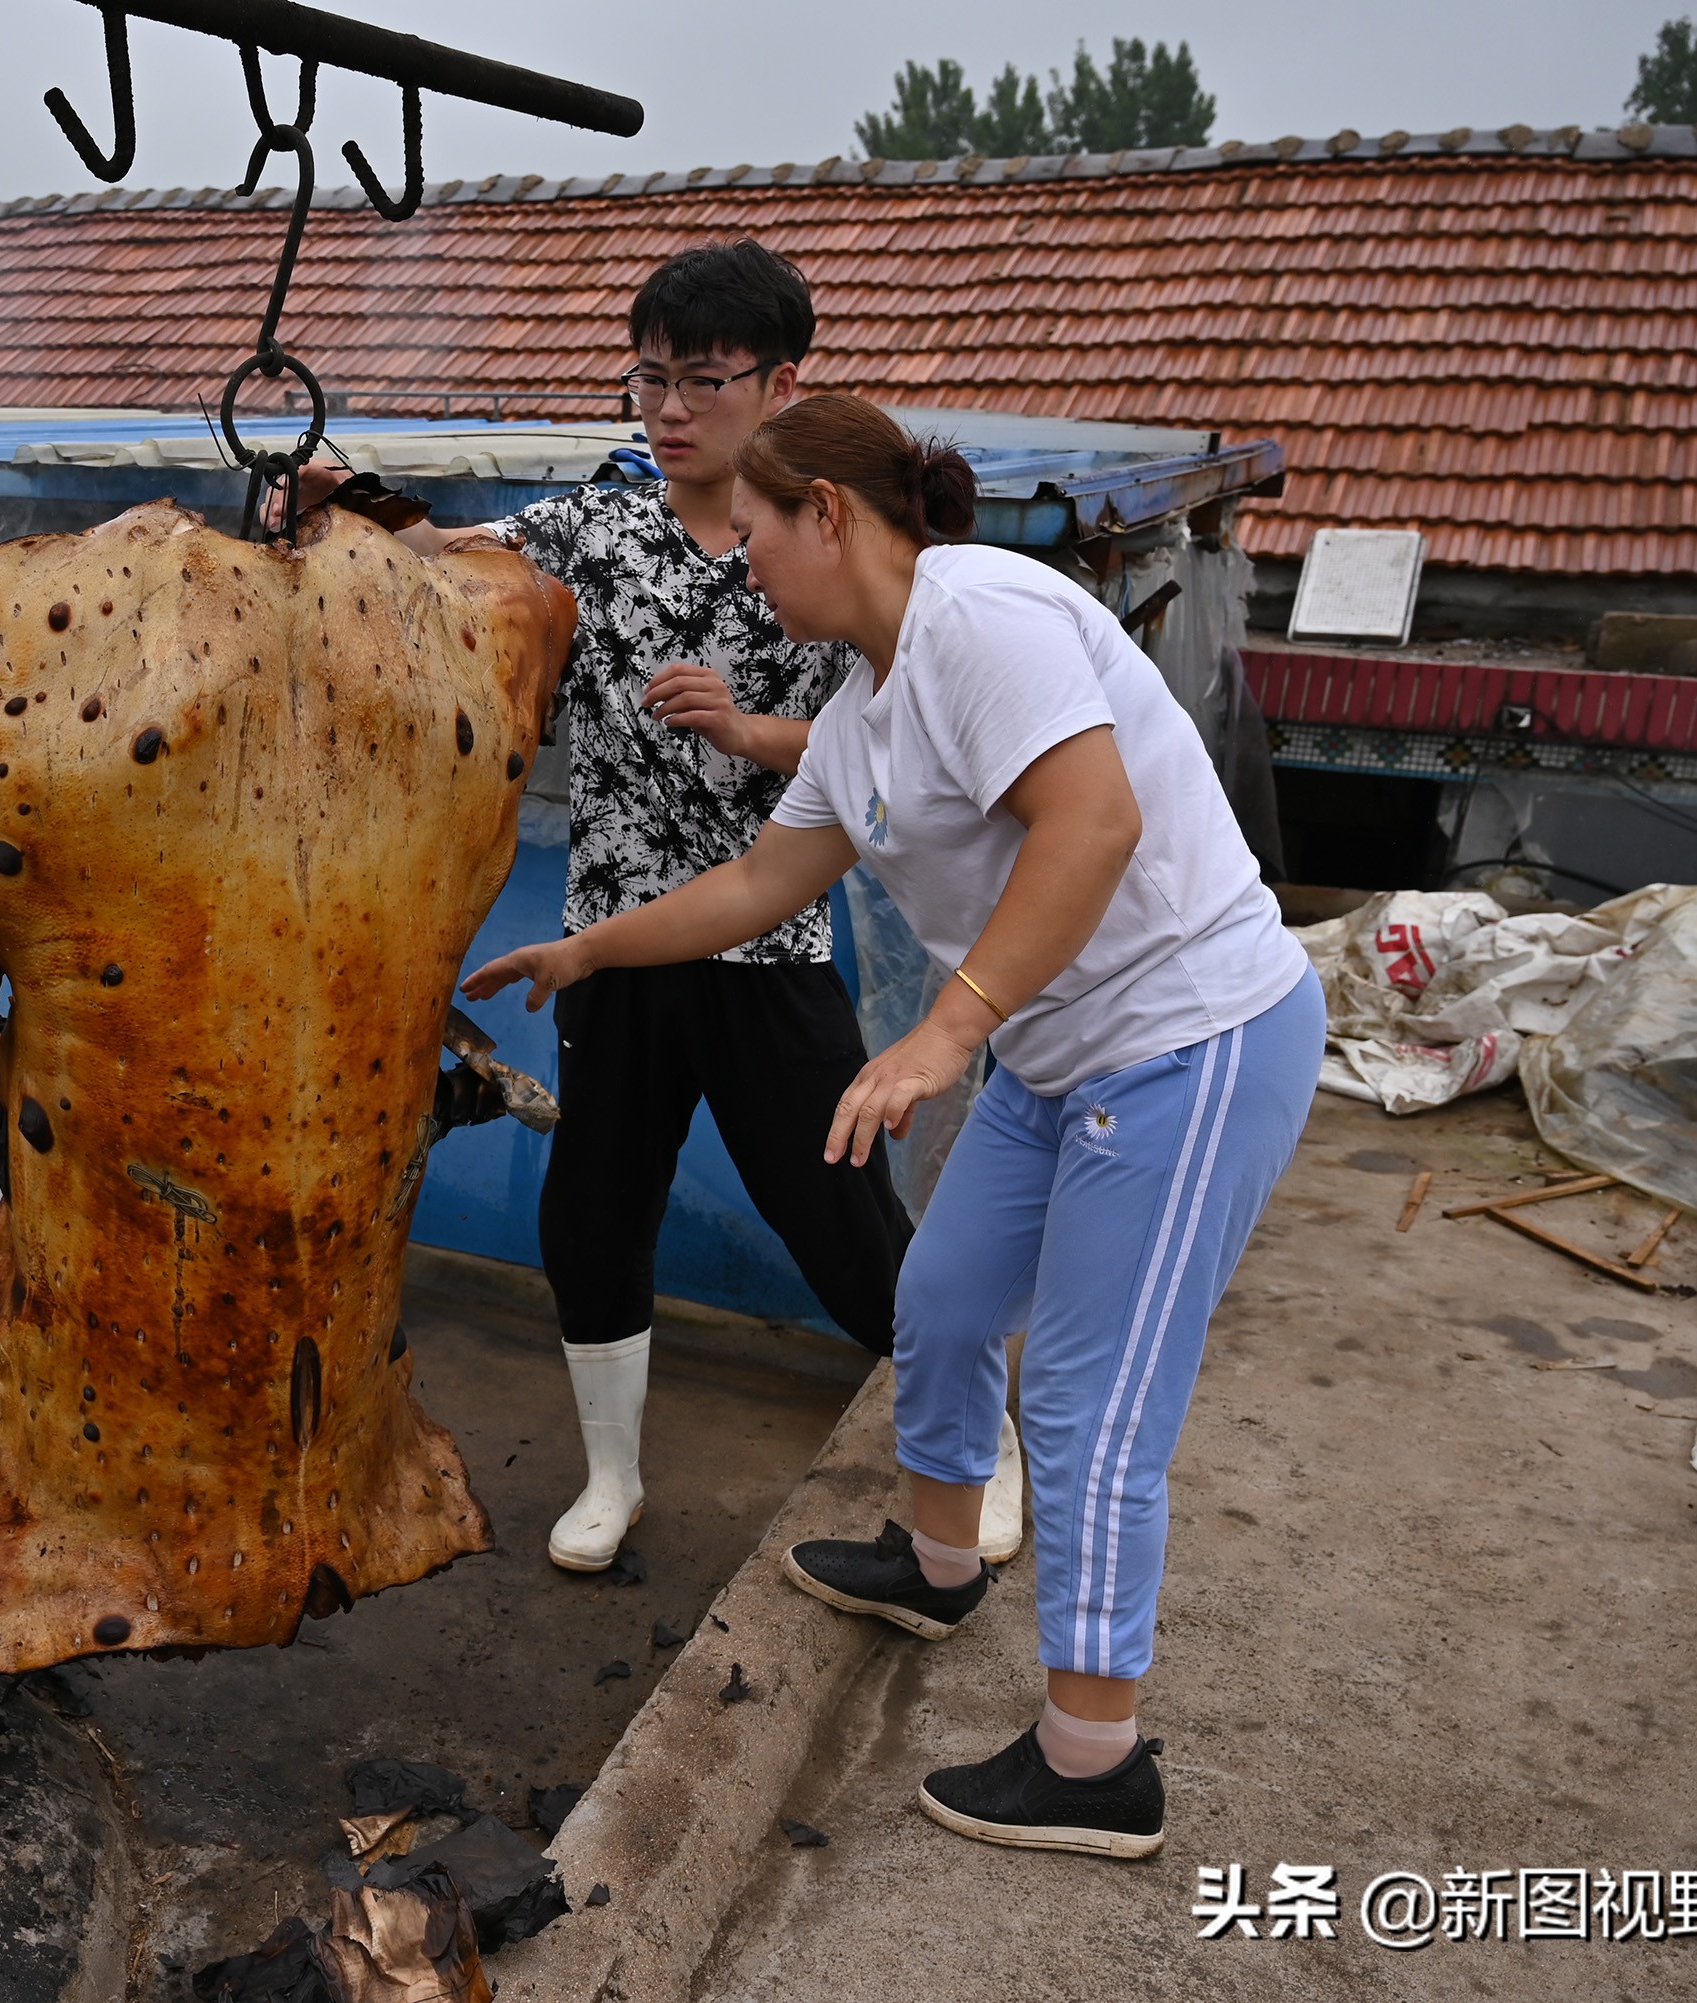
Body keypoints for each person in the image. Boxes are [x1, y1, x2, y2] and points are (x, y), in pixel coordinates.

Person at [464, 393, 1321, 1860]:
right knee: (936, 1297)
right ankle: (934, 1563)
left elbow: (1093, 823)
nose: (745, 569)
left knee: (1087, 1411)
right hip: (1060, 1055)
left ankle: (1095, 1757)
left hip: (1194, 1040)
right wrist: (586, 951)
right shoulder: (858, 717)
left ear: (831, 517)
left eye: (758, 536)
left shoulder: (985, 613)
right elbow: (756, 886)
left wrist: (948, 1024)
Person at [304, 238, 919, 1576]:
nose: (670, 407)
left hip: (769, 938)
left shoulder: (828, 533)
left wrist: (757, 732)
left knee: (844, 1218)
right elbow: (449, 561)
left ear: (780, 383)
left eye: (701, 379)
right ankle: (612, 1475)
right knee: (591, 1209)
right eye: (648, 378)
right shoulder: (595, 524)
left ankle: (971, 1449)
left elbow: (905, 743)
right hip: (611, 939)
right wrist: (346, 498)